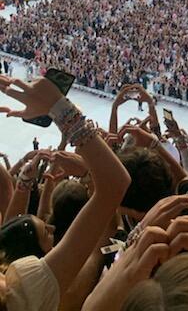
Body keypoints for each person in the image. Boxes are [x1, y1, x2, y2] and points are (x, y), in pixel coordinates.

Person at [0, 74, 131, 311]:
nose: (50, 225)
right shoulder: (25, 292)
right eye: (45, 232)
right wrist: (59, 108)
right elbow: (115, 185)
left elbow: (8, 205)